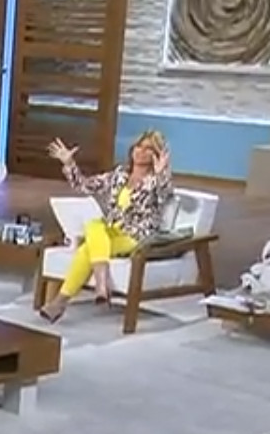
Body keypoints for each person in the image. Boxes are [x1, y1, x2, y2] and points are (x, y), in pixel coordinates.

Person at [39, 129, 173, 323]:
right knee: (94, 226)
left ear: (157, 155)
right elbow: (84, 185)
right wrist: (69, 163)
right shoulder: (119, 175)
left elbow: (164, 193)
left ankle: (61, 302)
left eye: (148, 149)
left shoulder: (155, 182)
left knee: (87, 248)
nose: (141, 151)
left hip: (136, 237)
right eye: (138, 146)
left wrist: (161, 174)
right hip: (112, 232)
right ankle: (101, 284)